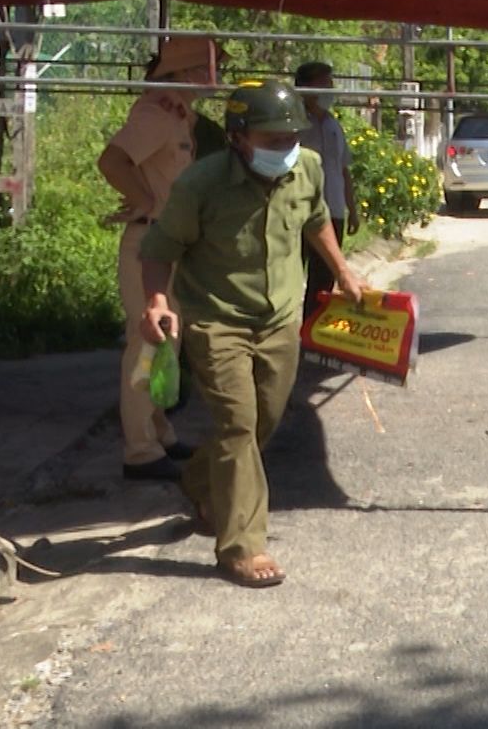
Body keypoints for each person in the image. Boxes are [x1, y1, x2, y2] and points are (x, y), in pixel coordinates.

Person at [139, 80, 364, 588]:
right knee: (239, 426)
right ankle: (242, 546)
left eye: (291, 138)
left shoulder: (305, 167)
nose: (285, 149)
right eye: (272, 139)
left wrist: (344, 271)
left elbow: (315, 220)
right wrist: (156, 301)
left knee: (261, 422)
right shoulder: (200, 185)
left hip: (281, 316)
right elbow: (158, 248)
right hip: (218, 319)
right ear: (238, 137)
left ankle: (200, 483)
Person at [98, 37, 223, 480]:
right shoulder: (156, 114)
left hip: (168, 246)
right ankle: (140, 452)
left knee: (163, 345)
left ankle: (159, 434)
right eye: (210, 67)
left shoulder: (179, 115)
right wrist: (145, 199)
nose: (217, 76)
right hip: (148, 244)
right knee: (148, 344)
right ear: (188, 71)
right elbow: (112, 161)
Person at [294, 62, 359, 319]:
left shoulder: (333, 123)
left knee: (324, 279)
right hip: (299, 211)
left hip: (332, 210)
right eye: (324, 84)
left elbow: (343, 169)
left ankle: (312, 333)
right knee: (290, 273)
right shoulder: (294, 122)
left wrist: (351, 209)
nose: (329, 90)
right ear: (306, 87)